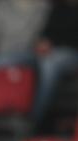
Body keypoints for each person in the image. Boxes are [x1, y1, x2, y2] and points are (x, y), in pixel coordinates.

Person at [30, 0, 78, 129]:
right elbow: (46, 32)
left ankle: (36, 118)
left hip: (71, 53)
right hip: (50, 52)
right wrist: (42, 43)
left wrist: (52, 44)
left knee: (49, 64)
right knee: (27, 61)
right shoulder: (57, 9)